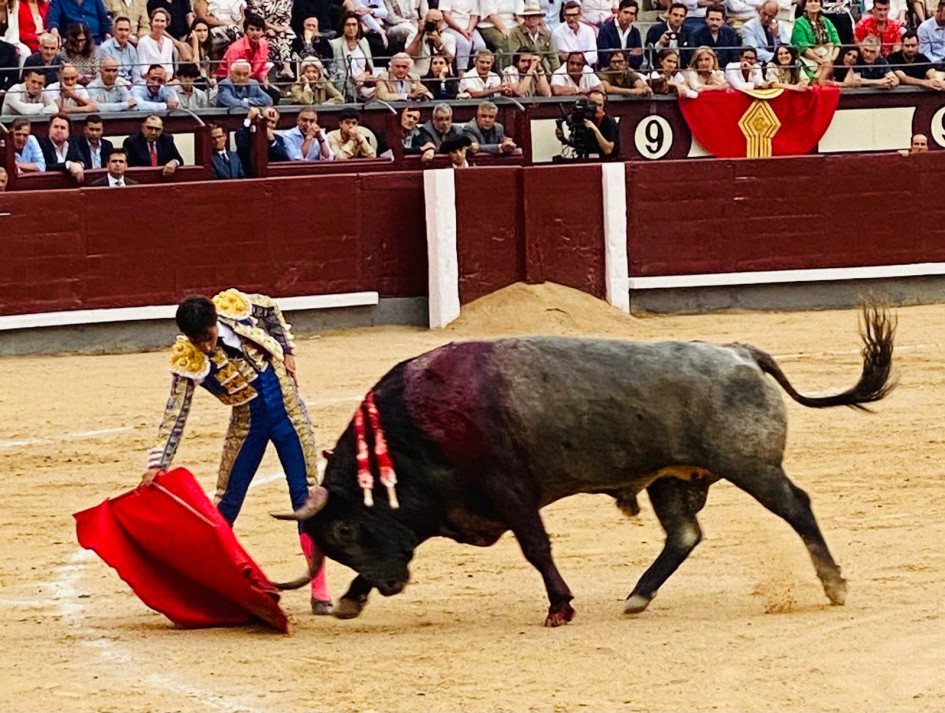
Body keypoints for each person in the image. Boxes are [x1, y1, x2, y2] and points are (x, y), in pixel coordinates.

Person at [140, 290, 332, 616]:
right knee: (227, 501)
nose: (205, 347)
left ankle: (320, 590)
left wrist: (286, 350)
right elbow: (176, 412)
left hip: (290, 415)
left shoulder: (233, 307)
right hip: (247, 425)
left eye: (208, 337)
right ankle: (210, 583)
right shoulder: (189, 359)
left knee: (305, 498)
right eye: (197, 341)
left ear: (216, 321)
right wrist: (159, 462)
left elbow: (269, 307)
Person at [555, 88, 618, 158]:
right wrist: (563, 138)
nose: (596, 108)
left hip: (602, 160)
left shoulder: (609, 121)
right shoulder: (583, 119)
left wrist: (595, 129)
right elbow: (578, 144)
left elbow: (608, 150)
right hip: (583, 158)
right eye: (593, 104)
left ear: (604, 105)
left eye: (600, 105)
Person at [329, 11, 374, 101]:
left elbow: (369, 68)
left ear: (358, 26)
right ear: (343, 27)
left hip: (365, 83)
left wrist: (363, 76)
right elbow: (333, 70)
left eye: (354, 25)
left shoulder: (364, 42)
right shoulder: (334, 44)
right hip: (346, 86)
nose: (351, 28)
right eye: (348, 25)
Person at [792, 0, 840, 82]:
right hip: (810, 60)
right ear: (804, 6)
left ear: (821, 6)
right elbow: (803, 48)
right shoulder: (799, 23)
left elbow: (837, 43)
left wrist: (831, 60)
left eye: (816, 1)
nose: (813, 4)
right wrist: (821, 61)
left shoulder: (827, 22)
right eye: (810, 1)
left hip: (829, 58)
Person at [137, 7, 192, 77]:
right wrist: (157, 79)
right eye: (156, 20)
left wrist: (166, 79)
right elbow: (143, 69)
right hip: (149, 80)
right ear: (151, 22)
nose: (159, 24)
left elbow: (169, 68)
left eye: (162, 21)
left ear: (166, 24)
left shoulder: (168, 42)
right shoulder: (143, 42)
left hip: (166, 79)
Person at [247, 0, 294, 79]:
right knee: (269, 40)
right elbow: (256, 20)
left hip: (279, 30)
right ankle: (264, 71)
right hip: (261, 29)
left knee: (286, 36)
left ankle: (286, 66)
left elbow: (286, 22)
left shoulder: (286, 2)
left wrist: (277, 29)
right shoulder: (260, 1)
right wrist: (269, 28)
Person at [508, 1, 558, 74]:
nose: (531, 19)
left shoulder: (546, 34)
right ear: (524, 18)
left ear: (539, 18)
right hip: (521, 70)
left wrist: (557, 74)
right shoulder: (515, 32)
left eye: (534, 16)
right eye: (528, 16)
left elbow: (553, 57)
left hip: (540, 68)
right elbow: (515, 56)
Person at [403, 9, 457, 76]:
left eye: (436, 21)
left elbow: (450, 59)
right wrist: (419, 34)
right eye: (430, 21)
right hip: (419, 75)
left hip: (441, 75)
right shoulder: (415, 35)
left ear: (442, 22)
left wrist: (439, 44)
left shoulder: (449, 37)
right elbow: (408, 56)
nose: (433, 24)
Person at [597, 0, 643, 70]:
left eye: (632, 13)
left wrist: (615, 54)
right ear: (618, 12)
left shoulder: (635, 32)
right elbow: (603, 57)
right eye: (626, 12)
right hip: (609, 70)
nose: (628, 16)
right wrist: (629, 55)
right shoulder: (605, 30)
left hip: (630, 70)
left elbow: (639, 59)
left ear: (635, 16)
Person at [38, 112, 86, 180]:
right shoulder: (41, 144)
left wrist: (79, 165)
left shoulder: (72, 143)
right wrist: (68, 165)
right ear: (49, 129)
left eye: (63, 128)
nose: (59, 130)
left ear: (69, 132)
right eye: (56, 127)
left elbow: (83, 161)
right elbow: (46, 166)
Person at [741, 1, 790, 65]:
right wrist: (776, 57)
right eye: (764, 13)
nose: (766, 18)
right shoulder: (749, 27)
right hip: (759, 64)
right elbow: (753, 51)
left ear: (775, 16)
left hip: (780, 63)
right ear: (760, 10)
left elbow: (787, 48)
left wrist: (777, 35)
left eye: (770, 16)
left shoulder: (779, 25)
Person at [644, 2, 691, 68]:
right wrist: (660, 44)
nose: (678, 18)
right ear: (669, 15)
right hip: (658, 69)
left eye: (681, 16)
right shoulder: (655, 30)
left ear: (685, 18)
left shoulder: (688, 32)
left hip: (682, 68)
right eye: (675, 15)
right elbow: (647, 54)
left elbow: (690, 55)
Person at [552, 1, 596, 66]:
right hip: (566, 67)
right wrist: (583, 57)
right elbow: (565, 57)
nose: (571, 18)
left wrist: (580, 60)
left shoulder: (589, 30)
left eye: (574, 15)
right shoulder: (557, 32)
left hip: (586, 66)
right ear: (564, 16)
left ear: (580, 15)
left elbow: (594, 55)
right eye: (568, 15)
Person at [46, 0, 111, 44]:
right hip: (71, 42)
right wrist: (53, 29)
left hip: (95, 40)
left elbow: (104, 19)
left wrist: (107, 33)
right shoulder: (59, 1)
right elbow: (53, 18)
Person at [97, 15, 139, 82]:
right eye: (120, 29)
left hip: (130, 84)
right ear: (113, 31)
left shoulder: (132, 49)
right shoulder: (106, 48)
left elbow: (136, 74)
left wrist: (137, 84)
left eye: (126, 30)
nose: (123, 33)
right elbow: (110, 74)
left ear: (130, 32)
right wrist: (127, 84)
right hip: (113, 83)